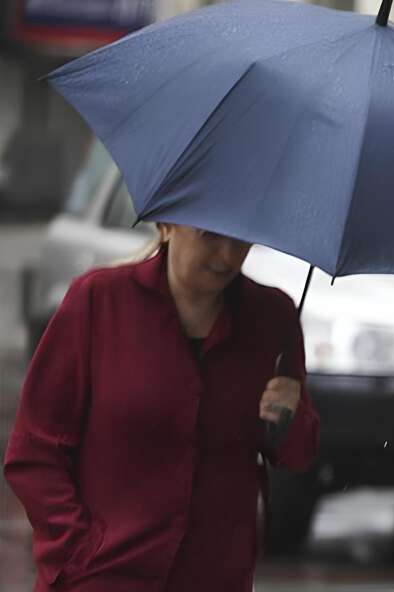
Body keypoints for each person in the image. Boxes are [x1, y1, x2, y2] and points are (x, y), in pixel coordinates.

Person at [4, 223, 319, 591]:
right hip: (101, 576)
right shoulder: (97, 301)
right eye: (211, 236)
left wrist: (289, 417)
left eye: (242, 239)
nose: (228, 256)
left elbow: (297, 454)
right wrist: (77, 550)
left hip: (214, 575)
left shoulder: (272, 318)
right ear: (167, 226)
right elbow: (35, 451)